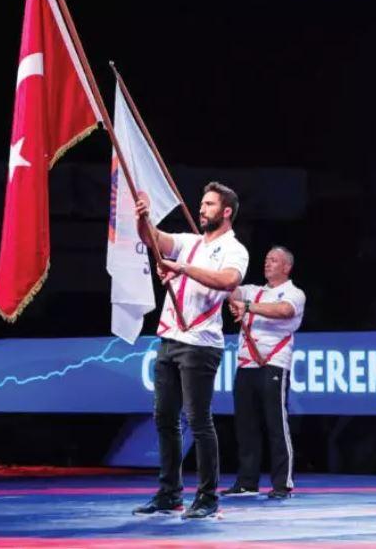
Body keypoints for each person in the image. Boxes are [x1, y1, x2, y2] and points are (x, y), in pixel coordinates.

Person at [132, 181, 249, 519]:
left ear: (226, 212)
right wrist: (143, 216)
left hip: (200, 344)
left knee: (198, 420)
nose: (202, 209)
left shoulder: (234, 249)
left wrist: (180, 268)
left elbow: (228, 281)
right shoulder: (189, 242)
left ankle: (208, 497)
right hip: (170, 337)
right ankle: (169, 494)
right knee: (164, 418)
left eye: (210, 204)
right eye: (201, 203)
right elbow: (153, 239)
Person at [221, 246, 305, 499]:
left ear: (286, 267)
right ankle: (247, 481)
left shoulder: (294, 293)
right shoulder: (253, 291)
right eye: (266, 259)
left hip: (273, 363)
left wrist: (247, 307)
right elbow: (228, 290)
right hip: (246, 364)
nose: (267, 263)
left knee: (276, 424)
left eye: (274, 260)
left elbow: (283, 311)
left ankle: (282, 484)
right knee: (246, 425)